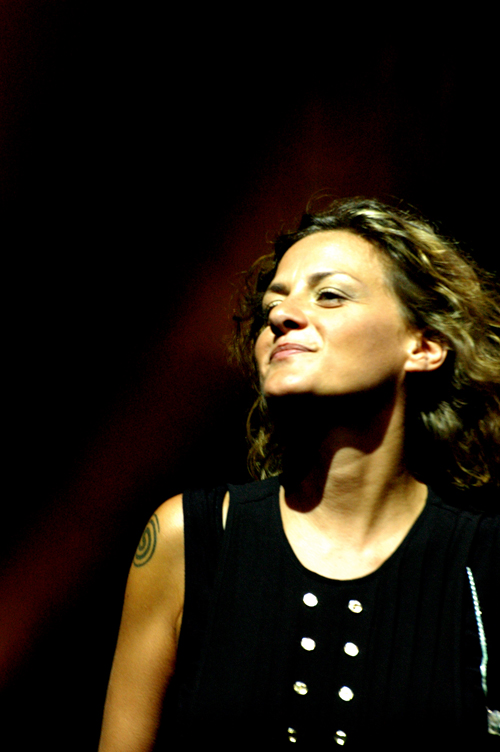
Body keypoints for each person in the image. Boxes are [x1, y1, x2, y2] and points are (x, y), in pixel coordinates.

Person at [98, 198, 499, 750]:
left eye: (329, 295)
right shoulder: (189, 538)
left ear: (425, 346)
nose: (282, 316)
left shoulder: (486, 560)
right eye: (272, 306)